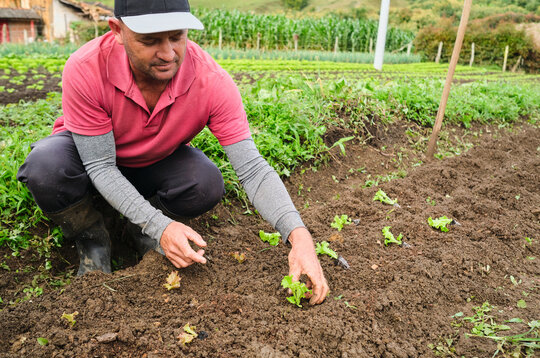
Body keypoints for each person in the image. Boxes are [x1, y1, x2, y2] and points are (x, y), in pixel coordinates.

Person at [17, 0, 329, 305]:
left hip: (154, 161)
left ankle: (137, 231)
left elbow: (253, 169)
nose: (168, 53)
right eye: (150, 41)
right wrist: (160, 225)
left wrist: (299, 237)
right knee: (47, 167)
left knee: (204, 182)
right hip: (91, 156)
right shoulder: (87, 68)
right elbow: (100, 166)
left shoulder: (210, 81)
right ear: (117, 30)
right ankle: (93, 238)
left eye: (177, 36)